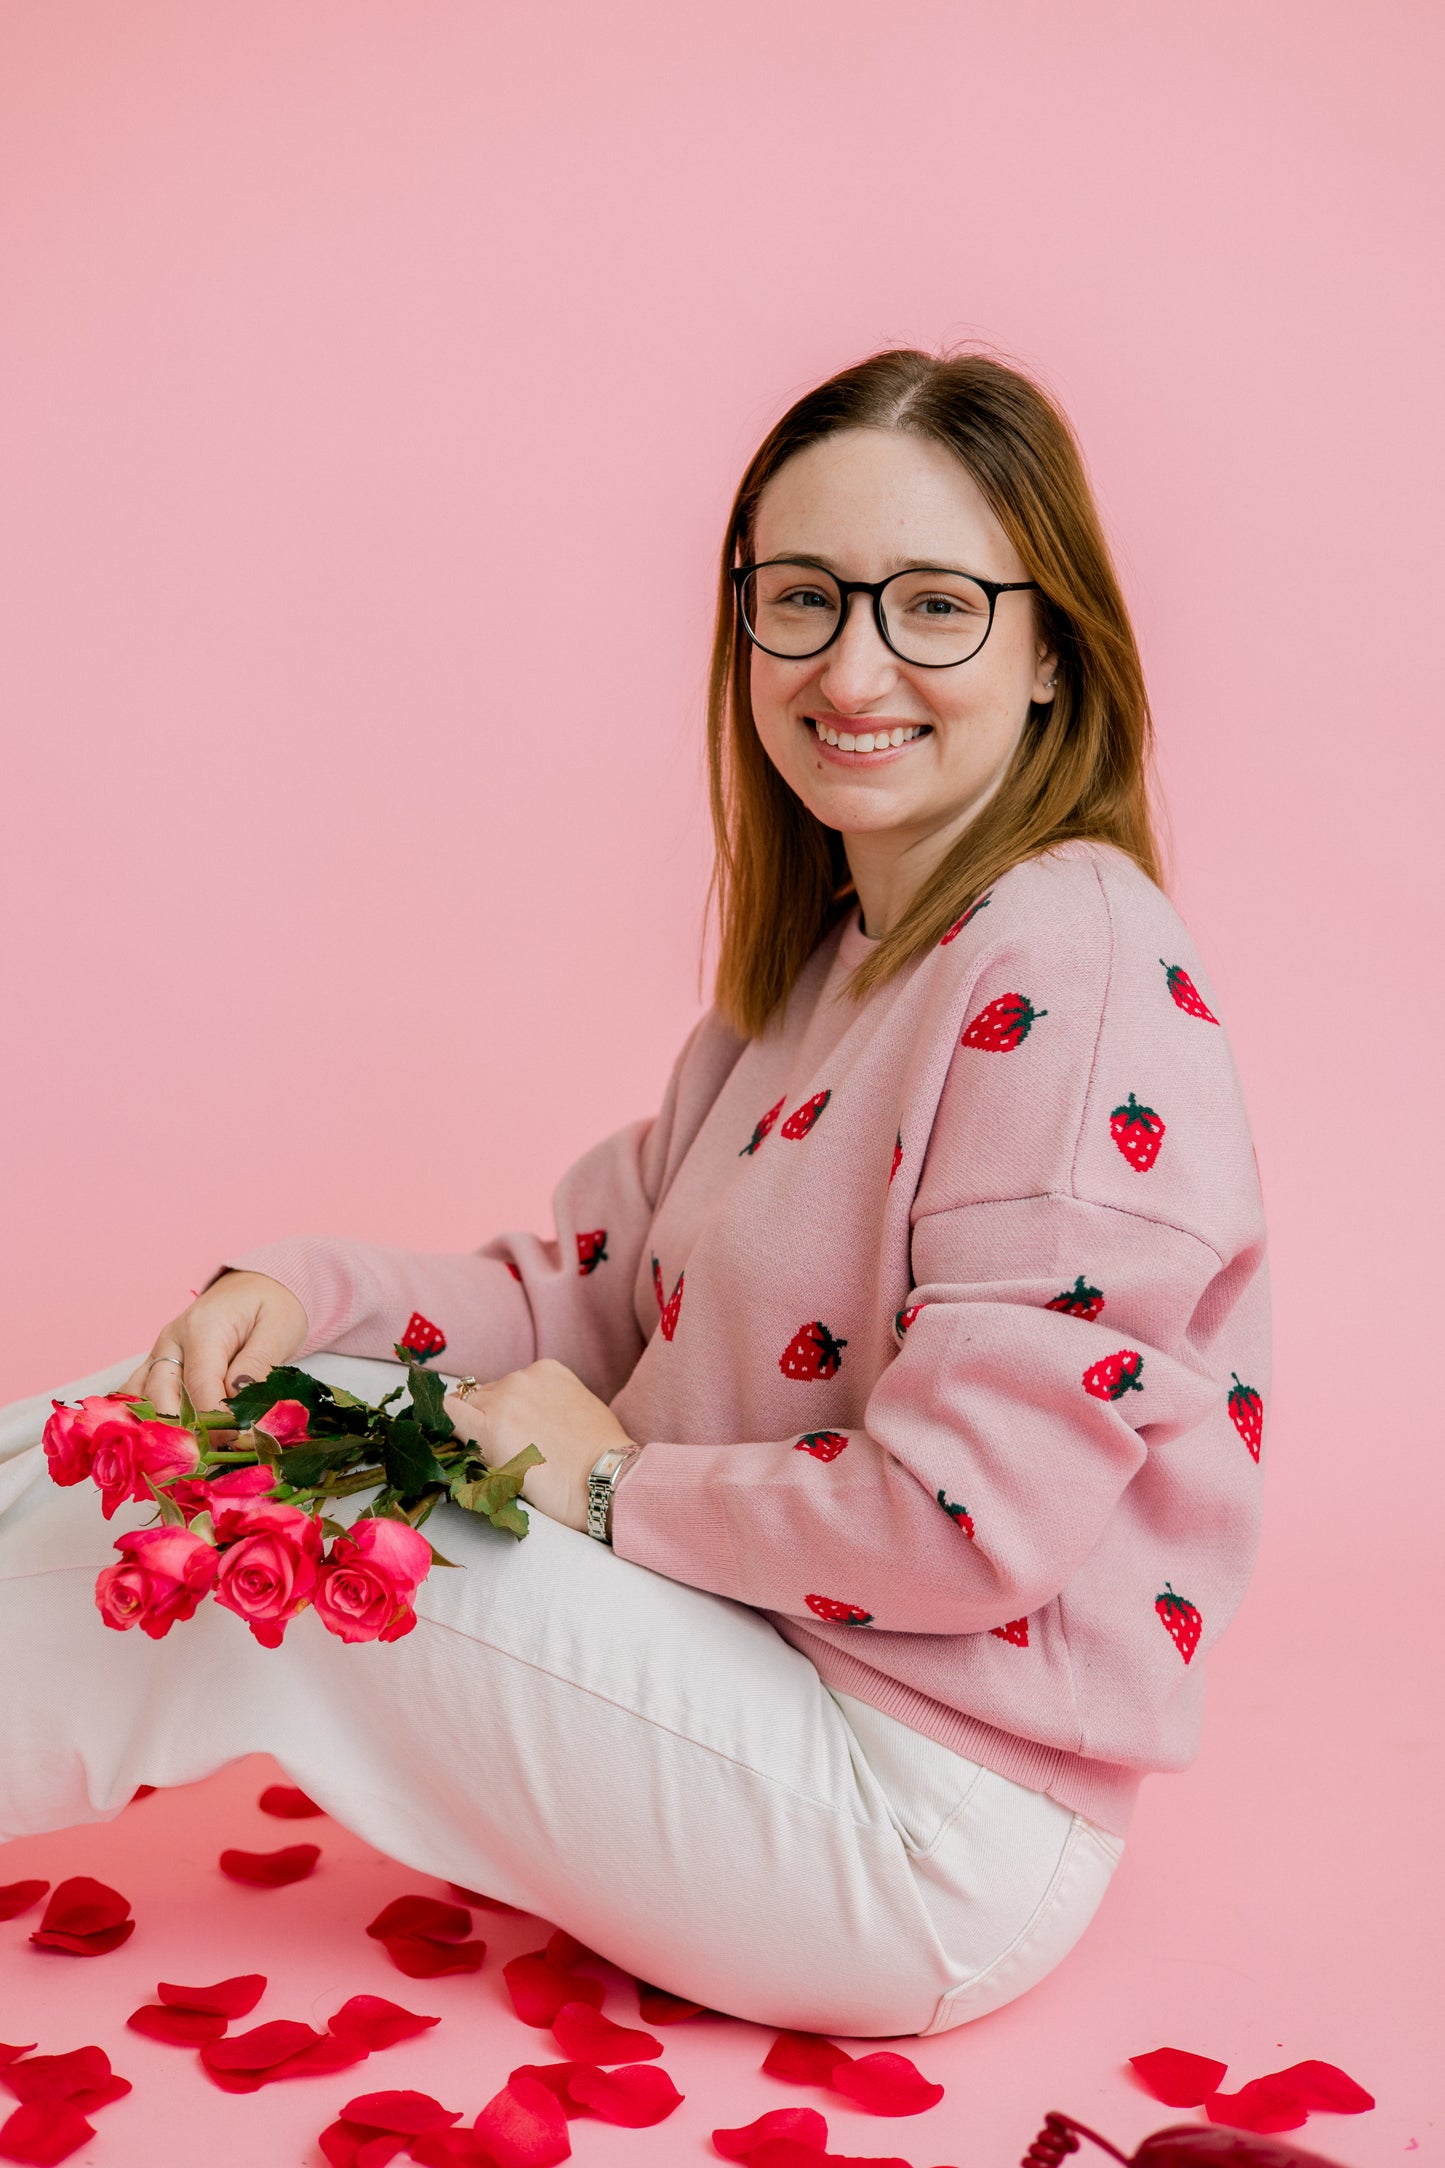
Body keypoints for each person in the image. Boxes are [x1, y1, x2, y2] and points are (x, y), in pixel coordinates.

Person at [0, 347, 1269, 2040]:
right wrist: (300, 1296)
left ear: (1050, 650)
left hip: (926, 1826)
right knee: (224, 1423)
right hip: (758, 1682)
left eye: (936, 607)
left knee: (288, 1511)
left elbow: (971, 1523)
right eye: (801, 599)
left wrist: (607, 1493)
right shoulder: (824, 967)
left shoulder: (1075, 963)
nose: (852, 663)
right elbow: (590, 1304)